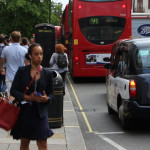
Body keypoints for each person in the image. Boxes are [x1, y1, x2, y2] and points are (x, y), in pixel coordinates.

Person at [10, 43, 54, 150]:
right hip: (25, 111)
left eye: (41, 54)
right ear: (30, 55)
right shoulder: (22, 71)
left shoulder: (48, 73)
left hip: (40, 113)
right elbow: (13, 90)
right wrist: (27, 97)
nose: (39, 56)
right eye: (36, 54)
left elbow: (51, 94)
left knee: (42, 142)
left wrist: (47, 98)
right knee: (25, 141)